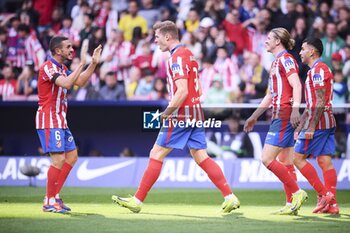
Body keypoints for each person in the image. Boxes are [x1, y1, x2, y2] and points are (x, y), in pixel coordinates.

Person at [112, 21, 240, 214]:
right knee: (201, 156)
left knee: (156, 154)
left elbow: (181, 91)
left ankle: (137, 200)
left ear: (167, 37)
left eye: (157, 37)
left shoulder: (176, 58)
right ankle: (230, 196)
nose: (155, 41)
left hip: (182, 113)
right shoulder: (188, 54)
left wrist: (167, 113)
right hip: (195, 111)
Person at [243, 27, 307, 215]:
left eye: (269, 38)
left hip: (285, 113)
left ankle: (297, 192)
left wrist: (295, 109)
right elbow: (270, 95)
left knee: (266, 159)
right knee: (285, 160)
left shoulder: (286, 60)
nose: (266, 41)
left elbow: (297, 84)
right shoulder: (275, 63)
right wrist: (254, 116)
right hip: (280, 112)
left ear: (278, 41)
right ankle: (291, 204)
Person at [36, 36, 102, 213]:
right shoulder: (48, 67)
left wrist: (93, 64)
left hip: (60, 120)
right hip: (49, 119)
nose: (72, 49)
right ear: (58, 51)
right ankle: (48, 201)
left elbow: (78, 82)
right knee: (58, 160)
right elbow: (66, 83)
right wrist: (81, 62)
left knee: (72, 157)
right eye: (68, 47)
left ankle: (55, 196)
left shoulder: (62, 68)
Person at [294, 37, 338, 214]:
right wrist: (302, 123)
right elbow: (314, 103)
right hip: (326, 120)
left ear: (312, 51)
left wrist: (310, 126)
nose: (300, 52)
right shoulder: (319, 69)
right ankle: (332, 205)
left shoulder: (318, 70)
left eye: (303, 49)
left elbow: (319, 101)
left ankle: (324, 194)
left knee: (297, 158)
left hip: (319, 123)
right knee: (324, 161)